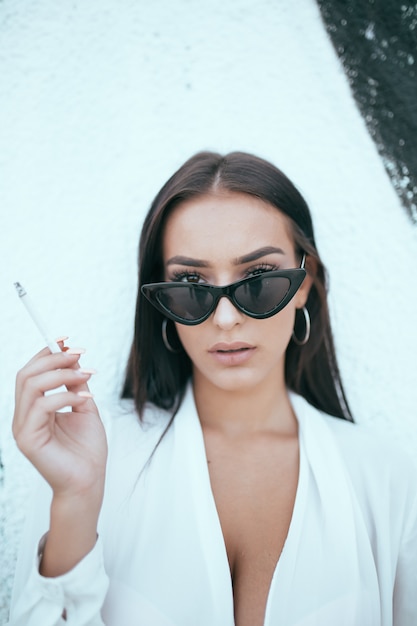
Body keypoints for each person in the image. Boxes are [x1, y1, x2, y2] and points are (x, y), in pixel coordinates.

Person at [8, 151, 417, 626]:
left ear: (304, 284)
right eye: (190, 283)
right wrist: (77, 499)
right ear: (163, 299)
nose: (225, 318)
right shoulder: (91, 458)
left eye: (259, 278)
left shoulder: (384, 478)